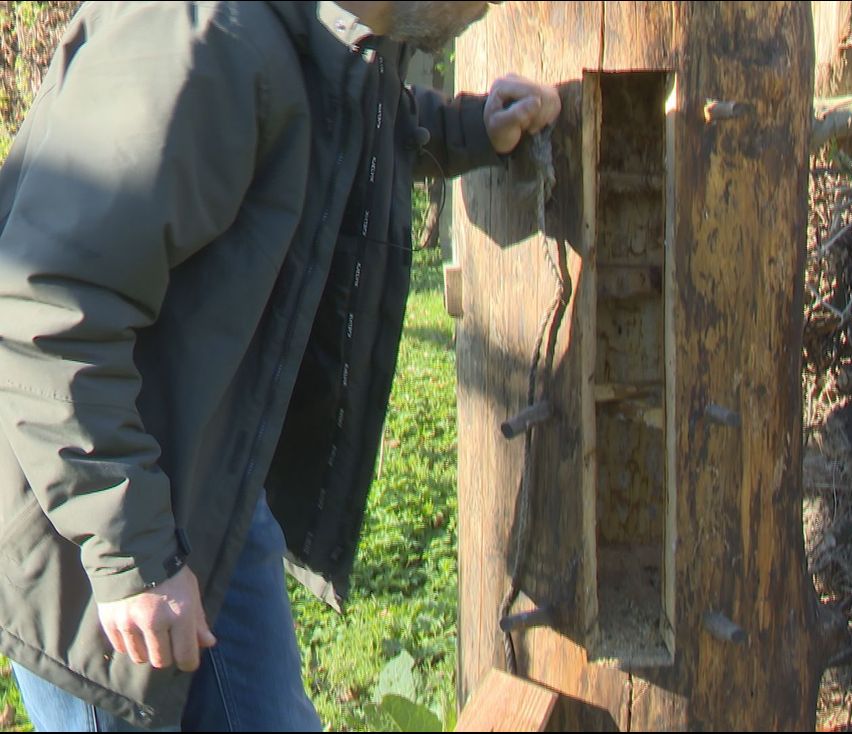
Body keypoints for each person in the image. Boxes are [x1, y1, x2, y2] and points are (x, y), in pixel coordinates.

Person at [0, 1, 560, 730]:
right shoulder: (201, 42)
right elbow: (47, 308)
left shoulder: (295, 31)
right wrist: (132, 556)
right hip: (98, 540)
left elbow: (324, 118)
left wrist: (466, 129)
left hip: (203, 491)